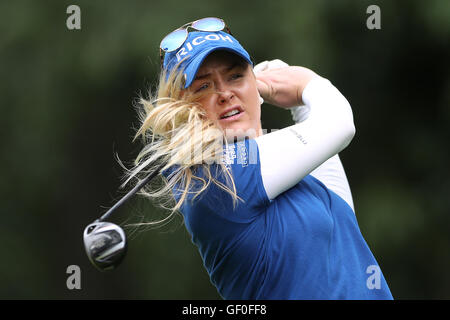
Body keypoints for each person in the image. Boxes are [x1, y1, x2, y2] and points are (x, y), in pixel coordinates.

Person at [125, 17, 393, 299]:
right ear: (181, 110)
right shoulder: (215, 175)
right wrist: (307, 82)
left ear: (256, 86)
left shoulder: (275, 173)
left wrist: (291, 97)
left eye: (236, 76)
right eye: (204, 87)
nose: (225, 93)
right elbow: (340, 126)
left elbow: (342, 218)